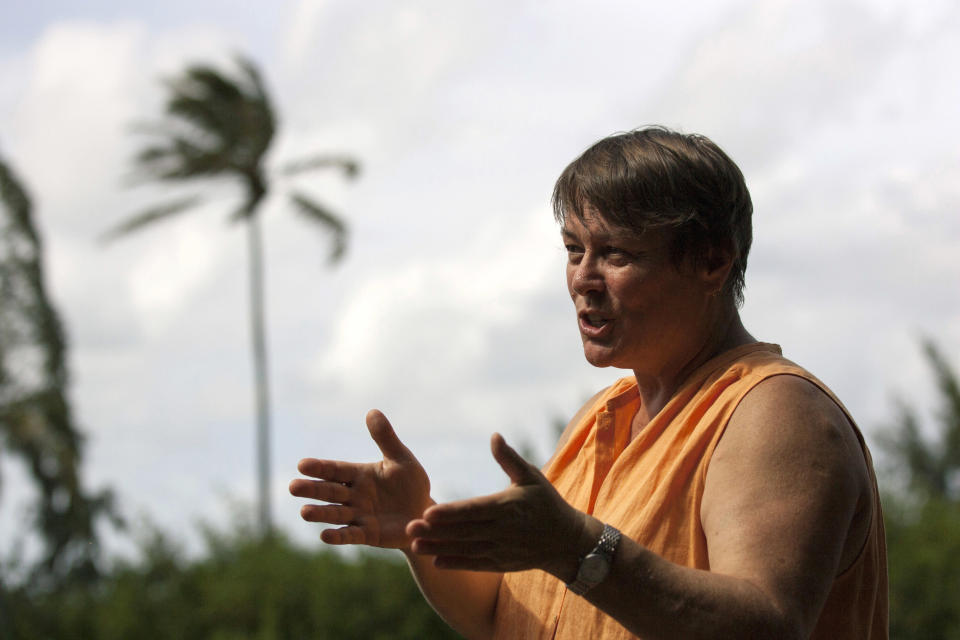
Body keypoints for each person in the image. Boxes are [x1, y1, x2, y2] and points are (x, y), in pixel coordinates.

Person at [289, 127, 888, 639]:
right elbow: (507, 613)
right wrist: (417, 526)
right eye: (574, 249)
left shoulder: (771, 411)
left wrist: (576, 549)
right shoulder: (602, 418)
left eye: (617, 255)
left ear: (712, 261)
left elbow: (767, 626)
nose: (583, 279)